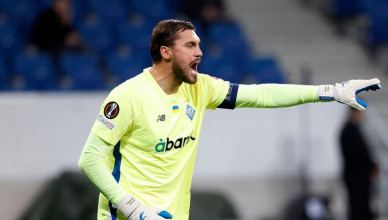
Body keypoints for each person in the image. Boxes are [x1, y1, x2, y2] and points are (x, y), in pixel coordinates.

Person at [78, 19, 381, 220]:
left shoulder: (200, 88)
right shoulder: (128, 96)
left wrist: (330, 91)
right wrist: (135, 210)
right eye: (191, 46)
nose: (200, 51)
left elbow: (261, 95)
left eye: (199, 44)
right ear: (166, 52)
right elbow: (90, 159)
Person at [340, 107, 379, 220]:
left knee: (362, 207)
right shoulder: (349, 131)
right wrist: (370, 166)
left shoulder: (354, 130)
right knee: (358, 208)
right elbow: (358, 154)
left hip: (360, 177)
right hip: (356, 178)